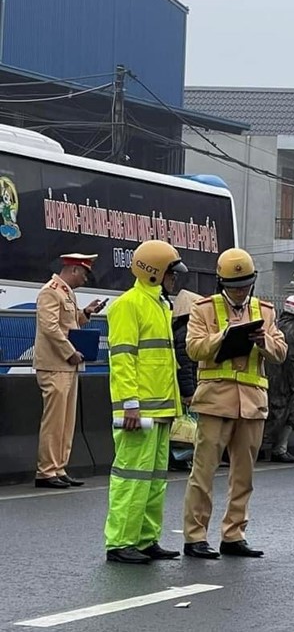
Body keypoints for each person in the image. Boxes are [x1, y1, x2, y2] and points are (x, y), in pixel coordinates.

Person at [182, 248, 287, 560]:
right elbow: (193, 349)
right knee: (203, 473)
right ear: (222, 283)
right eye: (233, 286)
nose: (240, 291)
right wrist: (223, 336)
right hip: (215, 401)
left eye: (244, 285)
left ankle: (234, 534)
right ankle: (195, 536)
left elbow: (281, 351)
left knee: (244, 475)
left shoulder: (265, 311)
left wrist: (263, 342)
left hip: (252, 403)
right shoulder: (203, 309)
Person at [104, 240, 187, 565]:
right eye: (171, 273)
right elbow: (123, 359)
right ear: (154, 273)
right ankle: (120, 542)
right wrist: (130, 405)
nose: (174, 279)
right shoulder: (129, 304)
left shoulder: (160, 305)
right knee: (130, 477)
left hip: (161, 409)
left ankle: (145, 539)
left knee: (154, 479)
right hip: (137, 410)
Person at [33, 253, 104, 489]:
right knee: (54, 422)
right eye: (84, 274)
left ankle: (58, 467)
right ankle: (46, 471)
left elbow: (69, 324)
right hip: (55, 365)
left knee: (65, 422)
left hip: (66, 366)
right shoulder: (50, 291)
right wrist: (70, 351)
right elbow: (50, 327)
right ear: (74, 270)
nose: (85, 279)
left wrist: (86, 313)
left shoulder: (66, 293)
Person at [265, 294, 294, 463]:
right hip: (289, 376)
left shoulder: (279, 325)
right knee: (292, 414)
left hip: (277, 374)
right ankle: (279, 449)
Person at [169, 289, 202, 472]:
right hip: (186, 387)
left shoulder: (179, 330)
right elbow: (186, 365)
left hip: (183, 386)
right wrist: (188, 392)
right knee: (185, 426)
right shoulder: (186, 333)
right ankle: (179, 458)